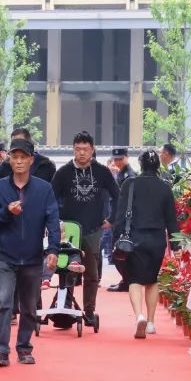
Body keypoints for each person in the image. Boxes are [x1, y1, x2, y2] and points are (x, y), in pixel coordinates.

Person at [0, 139, 60, 367]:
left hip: (33, 257)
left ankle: (24, 348)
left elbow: (53, 220)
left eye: (23, 157)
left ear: (31, 160)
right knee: (3, 302)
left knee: (29, 307)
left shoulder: (44, 189)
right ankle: (1, 350)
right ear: (9, 159)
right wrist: (6, 212)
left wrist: (53, 249)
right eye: (14, 157)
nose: (18, 161)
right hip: (4, 255)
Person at [49, 131, 119, 328]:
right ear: (73, 149)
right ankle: (65, 311)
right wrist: (55, 223)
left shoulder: (102, 172)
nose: (81, 153)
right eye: (77, 149)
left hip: (93, 229)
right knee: (68, 270)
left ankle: (89, 311)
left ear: (92, 150)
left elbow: (118, 195)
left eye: (85, 149)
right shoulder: (63, 173)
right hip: (68, 229)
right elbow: (50, 199)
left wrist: (112, 219)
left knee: (91, 273)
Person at [112, 150, 180, 338]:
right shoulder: (165, 187)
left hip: (134, 239)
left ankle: (139, 316)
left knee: (134, 279)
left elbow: (120, 215)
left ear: (141, 165)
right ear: (158, 165)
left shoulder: (130, 184)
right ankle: (150, 322)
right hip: (157, 240)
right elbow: (171, 220)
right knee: (151, 280)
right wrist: (176, 246)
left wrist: (116, 238)